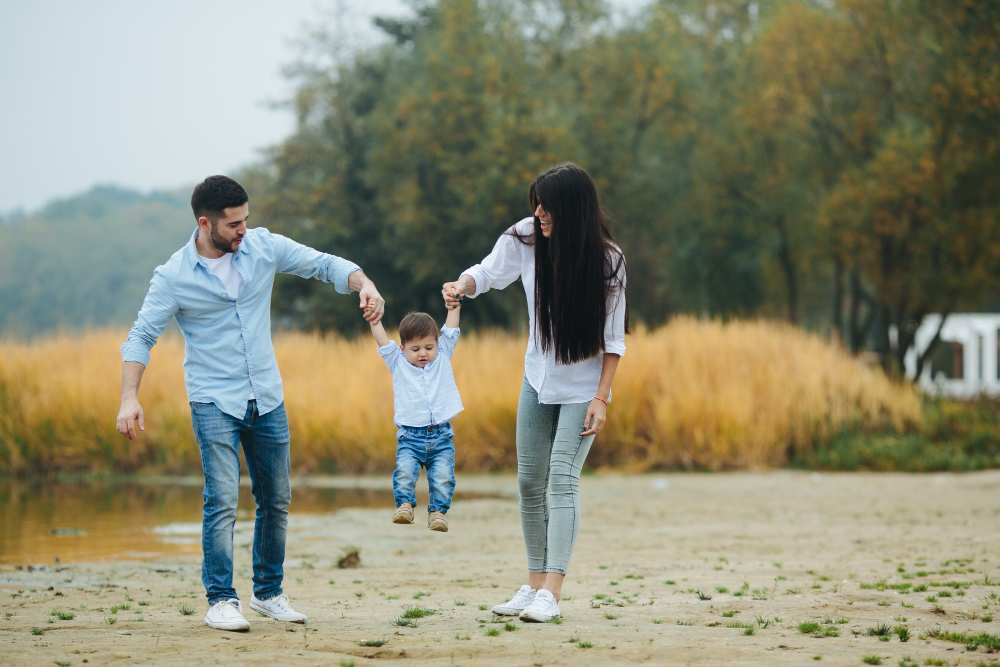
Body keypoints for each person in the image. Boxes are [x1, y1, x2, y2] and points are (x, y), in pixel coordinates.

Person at [115, 175, 385, 632]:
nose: (244, 230)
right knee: (221, 499)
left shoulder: (263, 248)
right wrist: (128, 397)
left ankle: (268, 593)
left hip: (267, 395)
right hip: (213, 399)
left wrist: (365, 283)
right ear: (206, 223)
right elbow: (141, 335)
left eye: (246, 220)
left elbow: (323, 264)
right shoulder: (173, 276)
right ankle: (220, 599)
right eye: (235, 224)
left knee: (276, 498)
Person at [442, 162, 627, 623]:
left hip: (583, 389)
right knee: (529, 483)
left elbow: (614, 340)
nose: (539, 212)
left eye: (548, 205)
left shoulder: (609, 261)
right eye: (536, 203)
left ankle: (553, 593)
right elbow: (488, 272)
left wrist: (602, 399)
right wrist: (463, 285)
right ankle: (533, 583)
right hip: (536, 379)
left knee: (562, 480)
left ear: (572, 209)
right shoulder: (525, 238)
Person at [369, 302, 462, 532]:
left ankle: (438, 512)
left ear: (437, 345)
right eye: (416, 348)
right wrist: (374, 320)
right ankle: (405, 506)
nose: (423, 353)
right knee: (404, 473)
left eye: (429, 347)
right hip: (410, 437)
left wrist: (453, 306)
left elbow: (451, 328)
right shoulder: (397, 362)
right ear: (403, 348)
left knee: (443, 477)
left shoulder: (442, 356)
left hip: (441, 435)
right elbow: (381, 341)